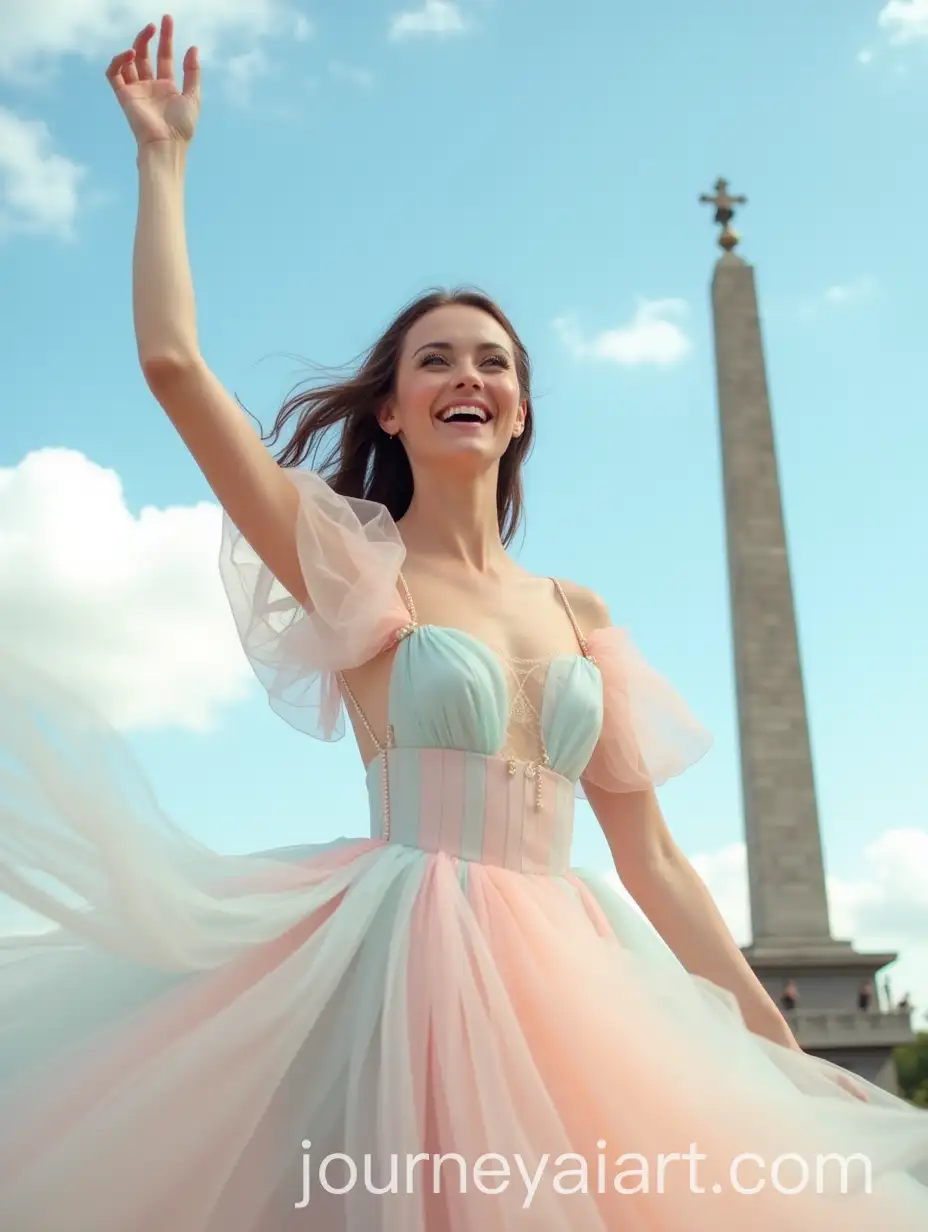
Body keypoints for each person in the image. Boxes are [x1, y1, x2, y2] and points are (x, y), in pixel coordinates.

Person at [1, 14, 927, 1231]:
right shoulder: (350, 561)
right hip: (398, 965)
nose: (466, 378)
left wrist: (780, 1060)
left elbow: (651, 861)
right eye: (434, 361)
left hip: (579, 988)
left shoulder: (577, 609)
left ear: (522, 408)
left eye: (492, 361)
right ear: (388, 410)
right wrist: (161, 160)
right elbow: (174, 364)